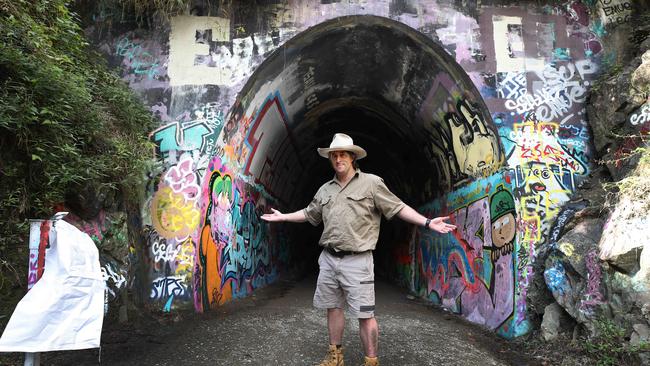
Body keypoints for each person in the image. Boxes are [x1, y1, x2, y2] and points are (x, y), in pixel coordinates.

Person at [261, 133, 456, 366]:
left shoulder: (372, 183)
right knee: (332, 308)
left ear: (353, 157)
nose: (338, 159)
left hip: (358, 260)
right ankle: (335, 357)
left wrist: (427, 222)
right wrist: (283, 217)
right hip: (329, 259)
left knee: (365, 314)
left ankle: (371, 361)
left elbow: (398, 207)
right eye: (334, 155)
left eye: (343, 154)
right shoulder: (325, 190)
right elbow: (308, 213)